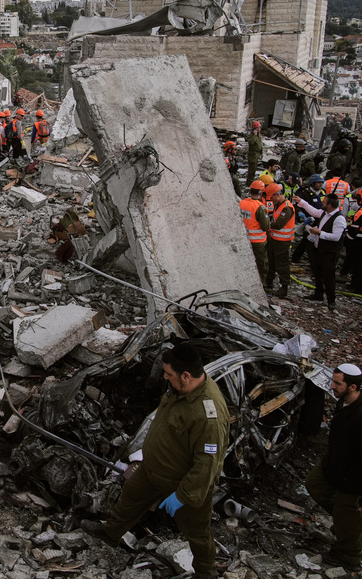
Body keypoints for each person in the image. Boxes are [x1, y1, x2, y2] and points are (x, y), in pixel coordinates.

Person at [84, 343, 229, 579]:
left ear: (185, 375)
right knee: (131, 496)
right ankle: (110, 532)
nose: (164, 377)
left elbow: (207, 465)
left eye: (169, 374)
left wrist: (182, 496)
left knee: (198, 534)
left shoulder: (208, 415)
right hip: (153, 469)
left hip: (181, 484)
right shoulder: (181, 389)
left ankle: (206, 574)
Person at [304, 364, 362, 572]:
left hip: (353, 479)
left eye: (337, 384)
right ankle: (349, 522)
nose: (331, 386)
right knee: (314, 484)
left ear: (353, 387)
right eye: (333, 381)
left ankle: (348, 555)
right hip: (335, 467)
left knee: (348, 512)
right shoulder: (344, 403)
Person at [292, 192, 347, 312]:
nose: (322, 203)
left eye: (324, 202)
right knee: (316, 272)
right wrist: (301, 202)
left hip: (329, 252)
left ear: (330, 205)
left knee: (328, 277)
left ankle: (331, 301)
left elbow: (336, 237)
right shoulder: (324, 213)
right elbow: (313, 211)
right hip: (318, 250)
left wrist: (319, 233)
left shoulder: (339, 219)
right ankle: (318, 294)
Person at [265, 183, 295, 298]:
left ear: (277, 195)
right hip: (274, 239)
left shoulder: (287, 208)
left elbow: (278, 224)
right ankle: (269, 283)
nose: (271, 200)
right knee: (271, 262)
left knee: (282, 264)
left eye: (272, 197)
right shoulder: (279, 205)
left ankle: (284, 288)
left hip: (282, 241)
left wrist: (265, 222)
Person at [240, 180, 270, 283]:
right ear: (261, 193)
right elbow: (266, 226)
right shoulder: (260, 207)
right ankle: (262, 286)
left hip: (244, 239)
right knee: (261, 265)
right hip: (258, 243)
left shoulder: (242, 202)